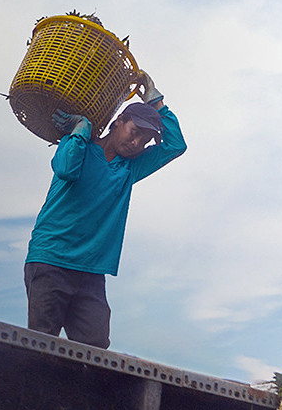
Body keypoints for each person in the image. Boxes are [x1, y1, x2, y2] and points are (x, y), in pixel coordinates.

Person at [24, 75, 185, 349]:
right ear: (118, 122)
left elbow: (175, 145)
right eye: (135, 132)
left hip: (90, 273)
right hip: (50, 261)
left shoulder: (129, 168)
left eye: (144, 140)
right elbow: (65, 169)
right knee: (40, 344)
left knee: (96, 349)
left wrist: (155, 101)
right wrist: (81, 127)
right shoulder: (79, 146)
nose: (137, 143)